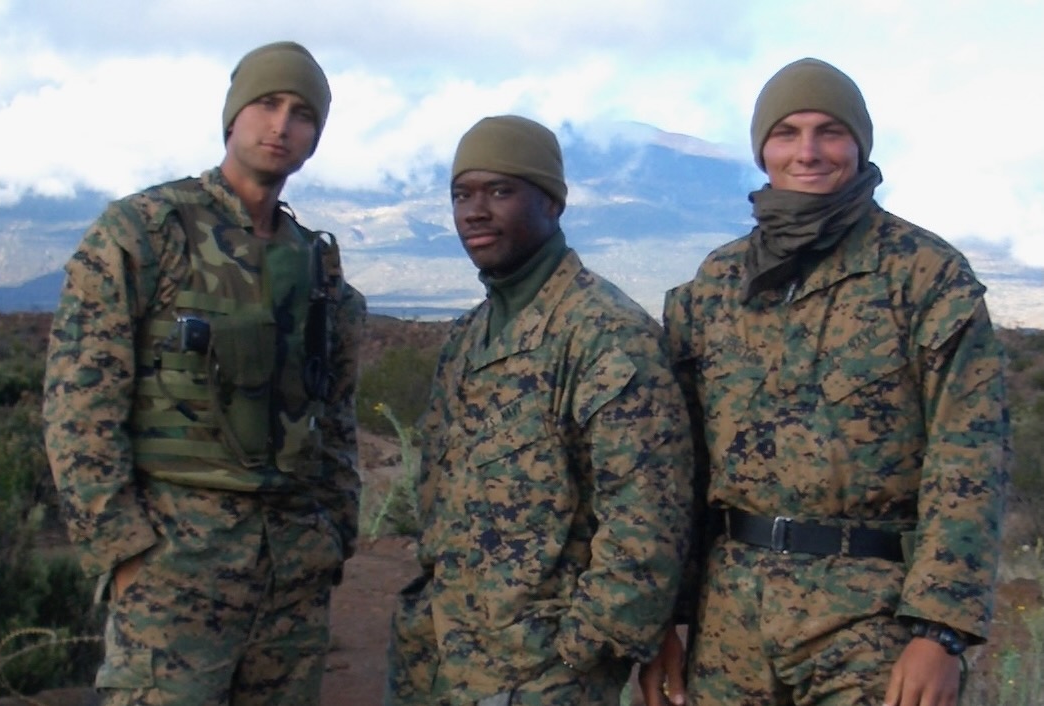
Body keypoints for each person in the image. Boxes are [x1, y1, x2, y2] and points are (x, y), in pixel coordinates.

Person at [641, 57, 1010, 706]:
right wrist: (663, 619)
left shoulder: (923, 276)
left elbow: (968, 460)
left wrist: (940, 630)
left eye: (828, 131)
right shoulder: (715, 285)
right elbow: (680, 467)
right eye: (785, 133)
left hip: (870, 626)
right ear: (761, 150)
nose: (806, 152)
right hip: (730, 625)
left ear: (859, 143)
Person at [42, 41, 365, 706]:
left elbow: (333, 414)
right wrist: (124, 551)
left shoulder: (316, 264)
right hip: (174, 571)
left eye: (302, 113)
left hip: (290, 579)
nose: (281, 125)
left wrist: (333, 532)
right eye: (266, 103)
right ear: (232, 114)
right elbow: (80, 406)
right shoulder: (144, 231)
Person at [384, 115, 695, 706]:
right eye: (461, 194)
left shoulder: (604, 335)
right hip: (437, 661)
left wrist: (576, 655)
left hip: (541, 676)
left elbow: (649, 522)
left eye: (500, 191)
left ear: (551, 203)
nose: (475, 211)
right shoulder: (468, 337)